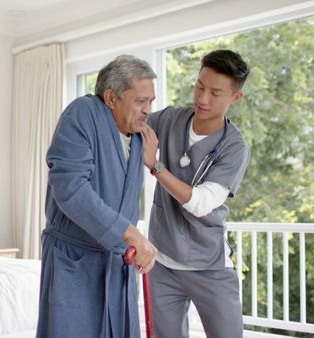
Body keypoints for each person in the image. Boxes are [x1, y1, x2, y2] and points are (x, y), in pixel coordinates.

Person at [36, 55, 159, 338]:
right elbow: (70, 188)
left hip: (118, 262)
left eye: (151, 101)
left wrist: (156, 164)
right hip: (75, 261)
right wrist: (130, 234)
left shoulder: (138, 133)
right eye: (141, 100)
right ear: (111, 97)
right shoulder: (82, 114)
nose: (148, 110)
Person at [141, 49, 250, 338]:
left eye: (215, 93)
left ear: (234, 98)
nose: (203, 99)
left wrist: (156, 167)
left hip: (208, 265)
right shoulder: (170, 119)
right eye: (200, 87)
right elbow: (133, 126)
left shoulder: (234, 147)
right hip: (162, 262)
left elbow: (200, 203)